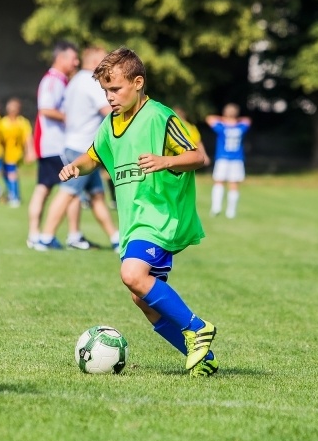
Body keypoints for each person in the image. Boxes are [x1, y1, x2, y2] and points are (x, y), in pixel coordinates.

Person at [59, 47, 218, 376]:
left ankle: (198, 327)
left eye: (115, 89)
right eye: (105, 91)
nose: (110, 97)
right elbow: (95, 155)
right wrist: (76, 166)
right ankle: (204, 358)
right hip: (134, 222)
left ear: (138, 82)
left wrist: (166, 161)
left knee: (132, 275)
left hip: (159, 218)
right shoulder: (111, 123)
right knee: (141, 297)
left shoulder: (160, 117)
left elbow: (198, 156)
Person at [35, 46, 120, 251]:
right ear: (93, 61)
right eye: (104, 59)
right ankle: (45, 238)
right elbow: (108, 111)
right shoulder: (91, 81)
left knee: (97, 195)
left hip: (84, 147)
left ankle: (117, 240)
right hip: (82, 148)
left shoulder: (75, 81)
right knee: (67, 192)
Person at [26, 40, 85, 248]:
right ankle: (69, 235)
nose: (76, 62)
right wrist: (72, 118)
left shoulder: (61, 80)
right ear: (60, 59)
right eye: (73, 58)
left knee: (46, 188)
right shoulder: (53, 81)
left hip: (53, 145)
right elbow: (46, 109)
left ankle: (36, 236)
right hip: (54, 144)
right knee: (71, 187)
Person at [205, 103, 250, 218]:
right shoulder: (240, 127)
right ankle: (231, 211)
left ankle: (216, 208)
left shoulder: (222, 127)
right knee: (233, 184)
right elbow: (247, 120)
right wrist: (235, 119)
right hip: (237, 159)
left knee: (219, 182)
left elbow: (209, 118)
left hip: (223, 158)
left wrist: (224, 118)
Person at [0, 97, 32, 207]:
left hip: (15, 153)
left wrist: (29, 152)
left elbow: (28, 138)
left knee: (12, 174)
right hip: (4, 154)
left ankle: (15, 197)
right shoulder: (3, 122)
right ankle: (11, 194)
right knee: (5, 174)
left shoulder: (22, 122)